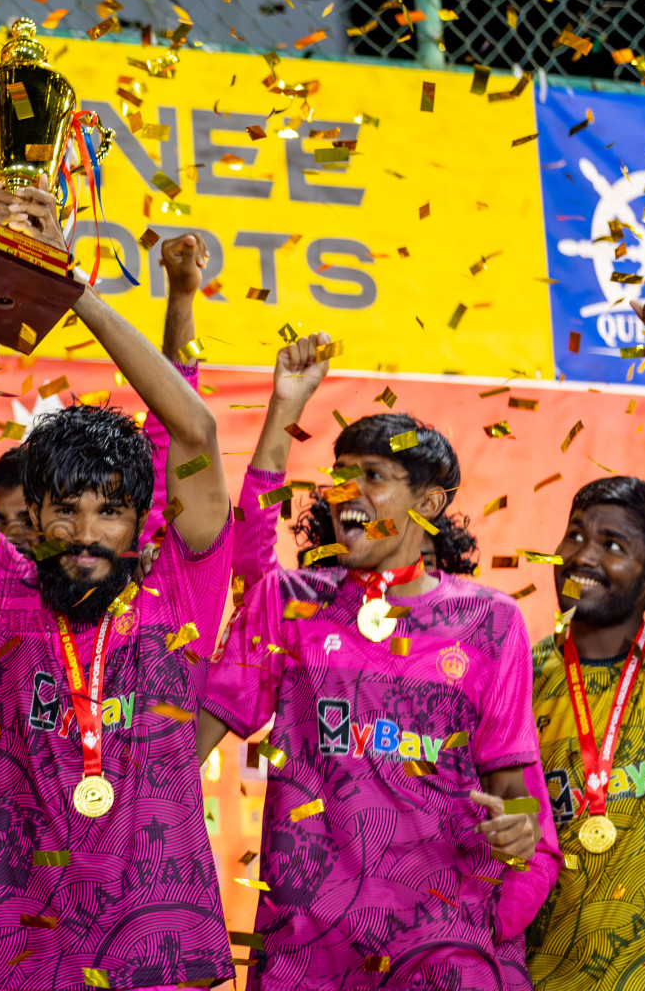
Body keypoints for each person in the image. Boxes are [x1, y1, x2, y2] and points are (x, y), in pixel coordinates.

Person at [0, 179, 235, 989]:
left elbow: (193, 430)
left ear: (142, 522)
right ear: (38, 515)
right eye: (66, 511)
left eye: (112, 512)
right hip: (27, 957)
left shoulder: (181, 594)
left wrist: (72, 288)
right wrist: (2, 291)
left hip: (165, 956)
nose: (89, 533)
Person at [197, 349, 561, 989]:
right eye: (340, 476)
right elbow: (247, 554)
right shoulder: (294, 603)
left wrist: (520, 837)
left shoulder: (491, 621)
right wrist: (284, 405)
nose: (348, 493)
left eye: (374, 476)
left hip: (443, 944)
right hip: (307, 948)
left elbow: (516, 787)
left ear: (432, 501)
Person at [519, 299, 645, 987]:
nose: (583, 556)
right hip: (538, 975)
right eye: (577, 535)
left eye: (613, 544)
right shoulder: (517, 674)